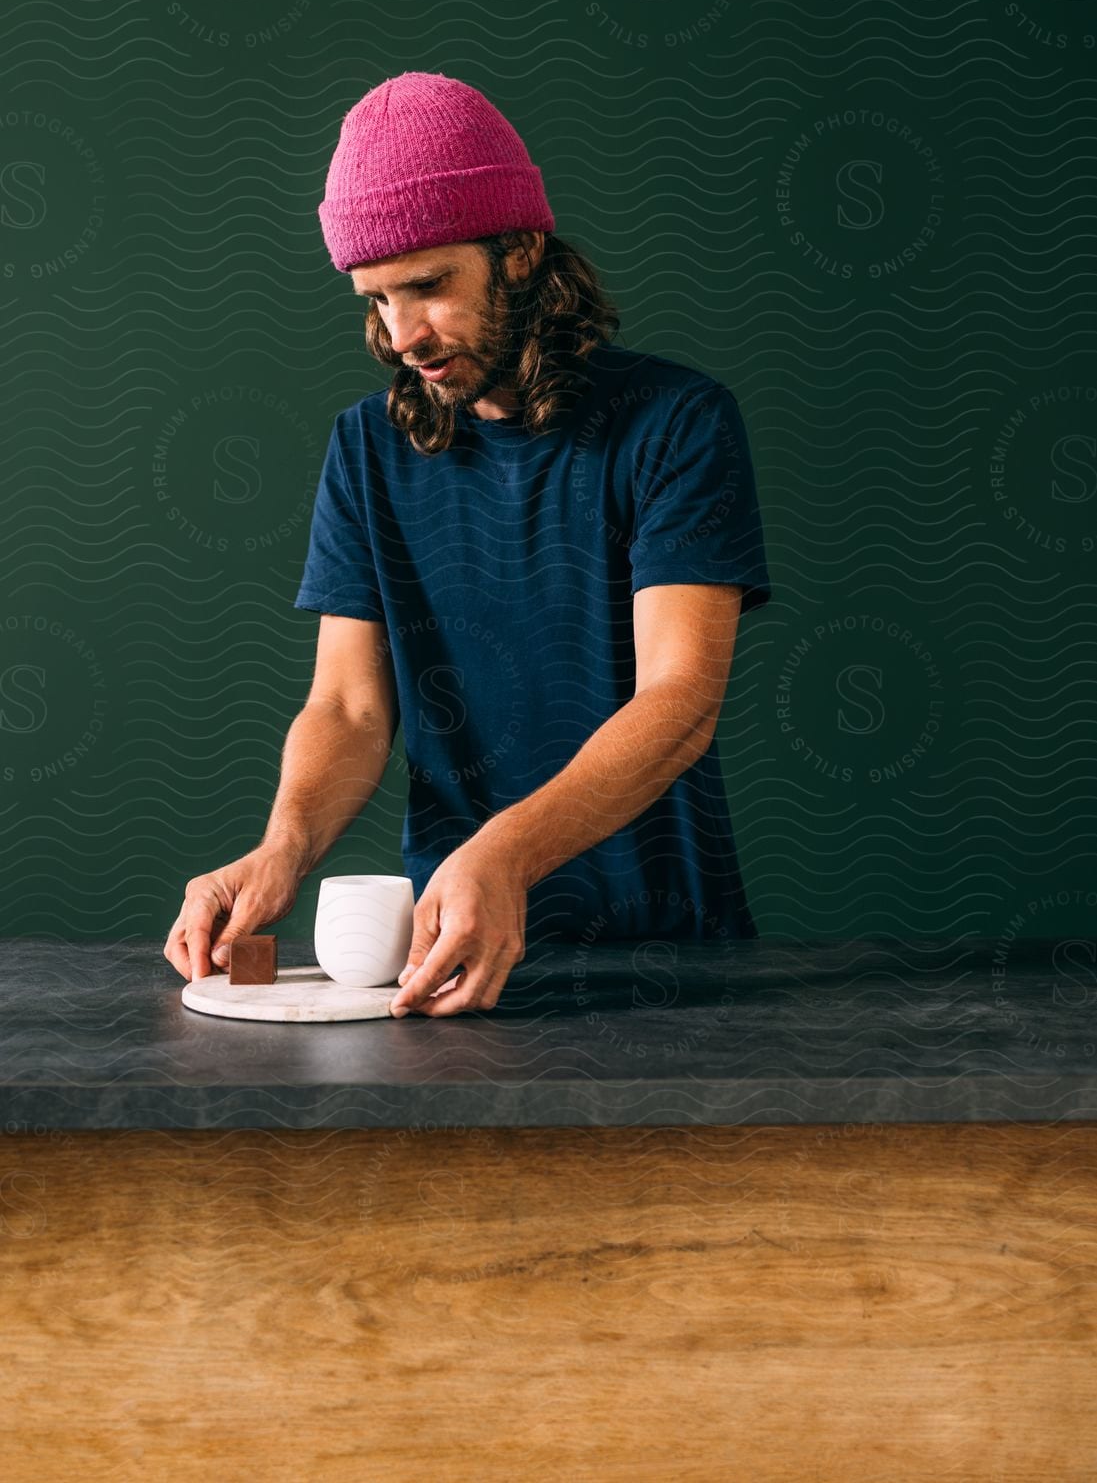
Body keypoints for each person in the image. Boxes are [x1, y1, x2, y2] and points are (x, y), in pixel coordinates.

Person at [163, 71, 773, 1014]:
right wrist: (282, 847)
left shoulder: (674, 422)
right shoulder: (367, 449)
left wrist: (504, 854)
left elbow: (680, 699)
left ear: (521, 250)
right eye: (374, 300)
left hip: (666, 952)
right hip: (441, 963)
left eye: (428, 287)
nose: (400, 332)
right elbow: (348, 708)